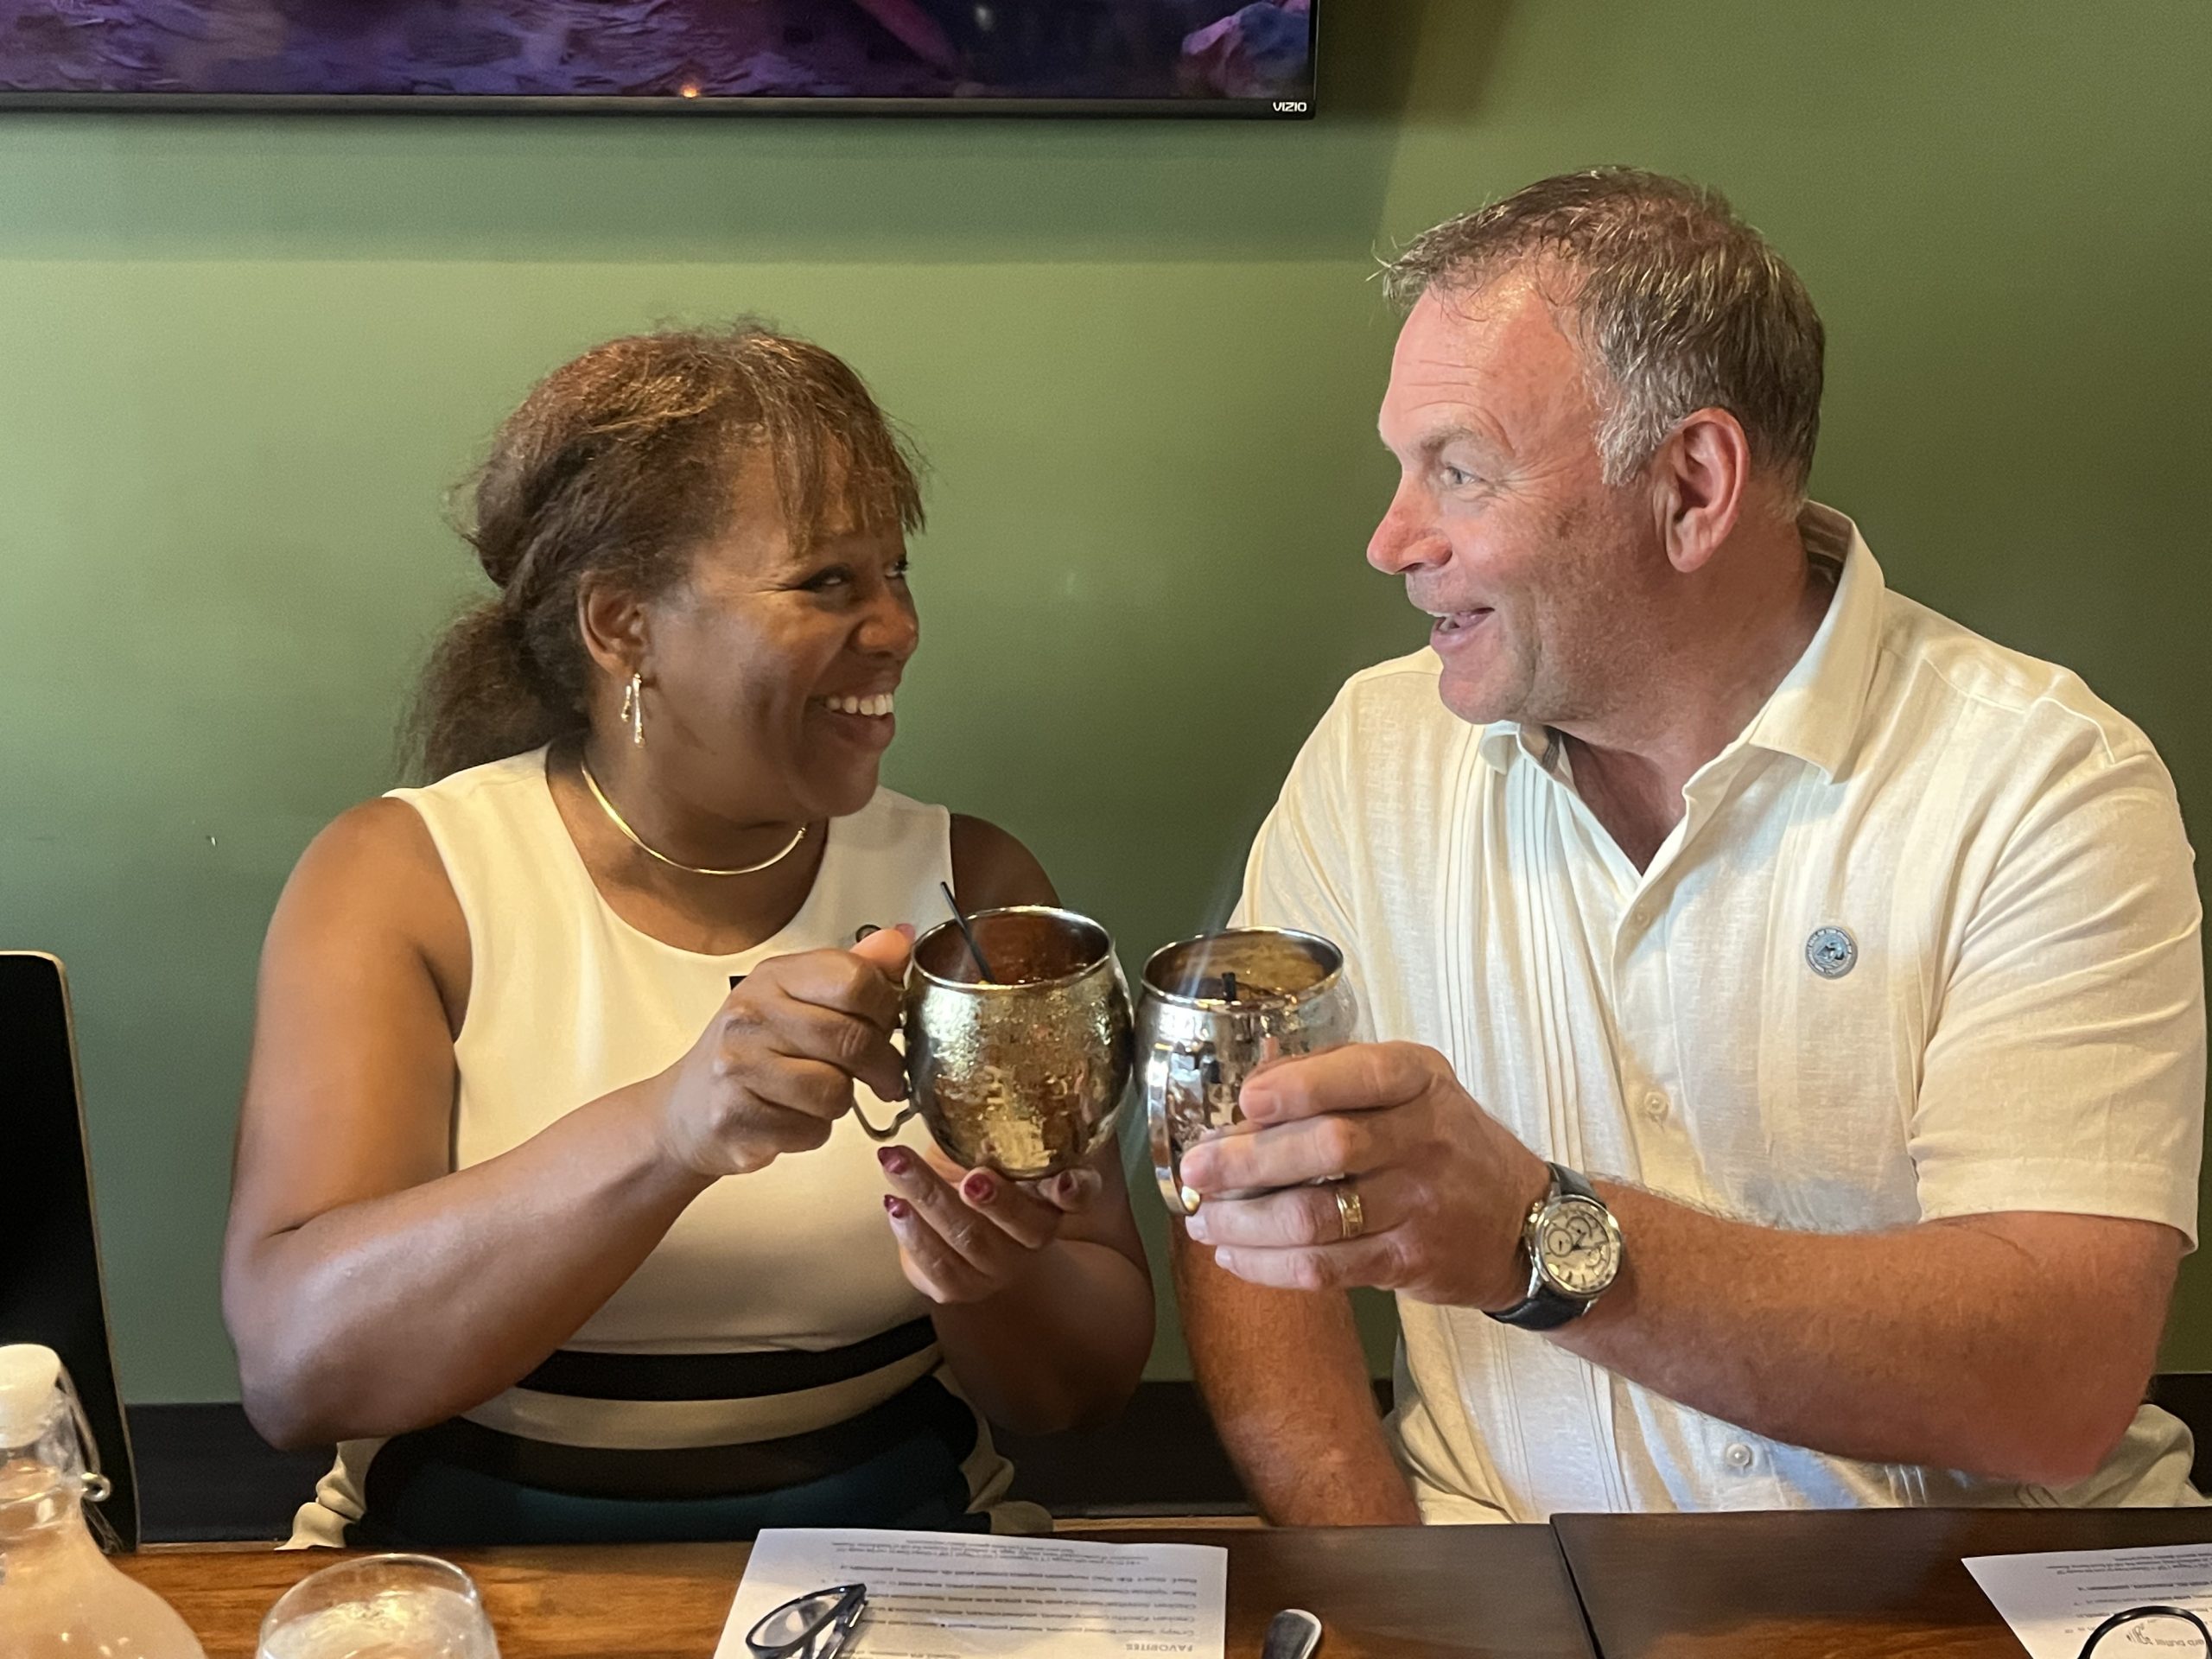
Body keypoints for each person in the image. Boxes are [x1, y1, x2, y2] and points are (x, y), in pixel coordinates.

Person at [1172, 168, 2206, 1523]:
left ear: (1692, 485)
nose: (1391, 539)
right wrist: (1383, 1589)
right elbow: (1244, 1208)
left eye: (1460, 471)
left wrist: (1540, 1239)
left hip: (1959, 1595)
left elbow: (2061, 1378)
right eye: (1402, 465)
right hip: (1502, 1585)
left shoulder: (2043, 782)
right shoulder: (1374, 754)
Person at [221, 326, 1154, 1546]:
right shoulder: (407, 878)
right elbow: (299, 1373)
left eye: (896, 573)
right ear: (625, 629)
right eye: (828, 581)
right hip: (460, 1553)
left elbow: (1076, 1396)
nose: (897, 628)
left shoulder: (970, 887)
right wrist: (669, 1129)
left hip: (893, 1547)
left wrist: (991, 1273)